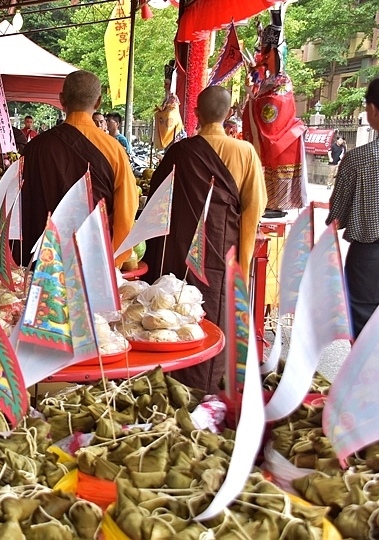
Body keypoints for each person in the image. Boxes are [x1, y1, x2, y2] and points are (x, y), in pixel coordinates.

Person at [141, 85, 267, 394]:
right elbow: (254, 208)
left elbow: (156, 203)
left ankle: (170, 384)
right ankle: (209, 388)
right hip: (222, 257)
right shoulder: (245, 152)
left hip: (178, 255)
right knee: (216, 317)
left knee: (172, 312)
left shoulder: (179, 152)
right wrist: (243, 260)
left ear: (195, 113)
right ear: (229, 113)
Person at [21, 70, 138, 267]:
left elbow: (24, 207)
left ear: (61, 99)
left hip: (45, 264)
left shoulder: (35, 147)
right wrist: (113, 261)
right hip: (93, 261)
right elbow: (126, 212)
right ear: (98, 102)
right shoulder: (113, 149)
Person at [327, 71, 379, 339]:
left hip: (371, 262)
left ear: (373, 110)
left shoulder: (358, 159)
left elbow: (336, 216)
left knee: (367, 340)